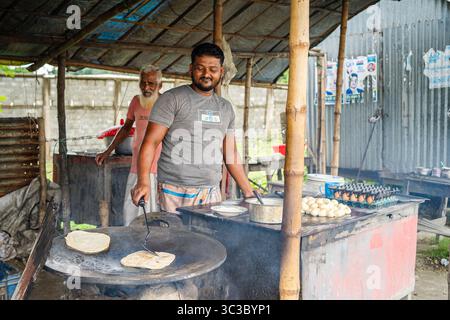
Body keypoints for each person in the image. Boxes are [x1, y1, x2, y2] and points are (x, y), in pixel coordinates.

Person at [131, 43, 255, 213]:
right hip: (174, 190)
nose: (206, 74)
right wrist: (143, 181)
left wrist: (248, 192)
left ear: (221, 72)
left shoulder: (225, 108)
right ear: (191, 69)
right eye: (200, 68)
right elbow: (150, 142)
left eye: (213, 69)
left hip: (211, 191)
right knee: (176, 238)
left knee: (207, 239)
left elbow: (230, 152)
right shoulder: (172, 99)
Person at [96, 64, 163, 225]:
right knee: (132, 210)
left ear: (160, 85)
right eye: (143, 82)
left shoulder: (165, 103)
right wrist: (107, 151)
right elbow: (126, 128)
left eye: (151, 83)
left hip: (158, 166)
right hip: (137, 164)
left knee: (155, 211)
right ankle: (133, 241)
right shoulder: (135, 101)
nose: (146, 87)